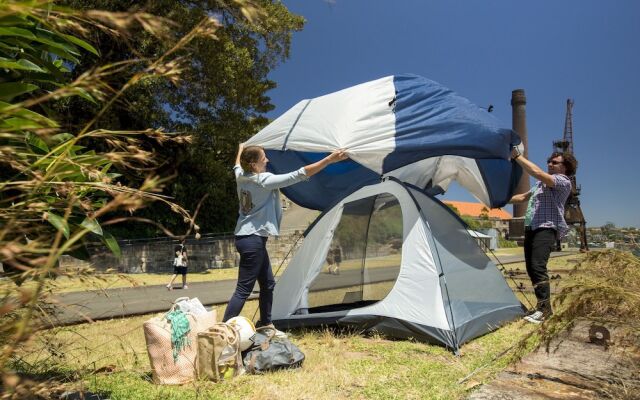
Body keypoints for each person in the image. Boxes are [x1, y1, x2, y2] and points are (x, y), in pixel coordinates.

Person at [223, 143, 348, 328]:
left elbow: (236, 165)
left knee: (268, 284)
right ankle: (221, 332)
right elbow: (299, 174)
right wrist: (329, 159)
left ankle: (266, 324)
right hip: (253, 240)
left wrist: (240, 148)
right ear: (255, 165)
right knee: (243, 289)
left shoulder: (241, 176)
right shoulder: (263, 180)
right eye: (263, 157)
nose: (267, 159)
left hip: (248, 238)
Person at [509, 147, 576, 324]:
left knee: (538, 266)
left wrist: (517, 157)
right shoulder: (540, 185)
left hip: (547, 228)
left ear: (565, 167)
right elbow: (522, 197)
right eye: (549, 161)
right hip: (532, 227)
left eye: (555, 162)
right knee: (531, 268)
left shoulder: (563, 182)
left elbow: (537, 172)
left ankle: (545, 310)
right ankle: (541, 307)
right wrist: (497, 201)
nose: (550, 164)